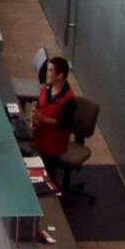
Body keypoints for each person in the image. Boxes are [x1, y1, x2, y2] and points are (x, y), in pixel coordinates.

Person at [30, 54, 76, 182]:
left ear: (60, 76)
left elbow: (65, 124)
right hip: (39, 137)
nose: (48, 73)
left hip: (53, 144)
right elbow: (39, 106)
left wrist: (43, 119)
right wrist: (33, 118)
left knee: (48, 175)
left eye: (50, 71)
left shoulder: (69, 100)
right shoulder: (47, 87)